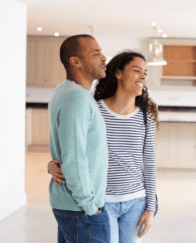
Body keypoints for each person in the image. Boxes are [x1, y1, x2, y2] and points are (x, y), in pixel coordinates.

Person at [49, 51, 158, 243]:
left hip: (136, 202)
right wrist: (52, 164)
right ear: (117, 73)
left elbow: (149, 163)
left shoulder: (145, 118)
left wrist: (150, 207)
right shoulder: (93, 109)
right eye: (136, 71)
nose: (143, 77)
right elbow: (72, 146)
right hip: (101, 201)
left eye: (145, 73)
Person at [48, 34, 110, 242]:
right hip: (82, 210)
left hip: (74, 208)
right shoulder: (76, 98)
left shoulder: (67, 91)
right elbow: (74, 157)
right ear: (76, 61)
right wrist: (90, 206)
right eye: (96, 53)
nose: (104, 57)